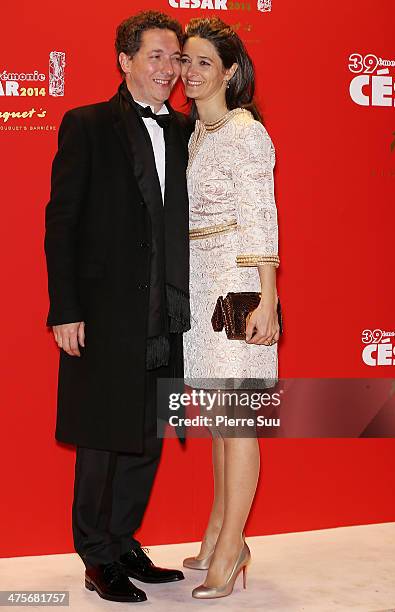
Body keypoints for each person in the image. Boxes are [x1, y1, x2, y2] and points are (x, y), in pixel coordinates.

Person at [44, 11, 192, 604]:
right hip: (104, 311)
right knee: (102, 437)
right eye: (156, 55)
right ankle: (95, 554)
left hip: (166, 311)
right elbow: (61, 224)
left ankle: (125, 541)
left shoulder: (187, 130)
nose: (168, 68)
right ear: (125, 61)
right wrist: (64, 308)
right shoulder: (85, 125)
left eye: (176, 57)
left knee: (149, 433)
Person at [180, 17, 281, 599]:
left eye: (204, 63)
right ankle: (218, 531)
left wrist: (267, 298)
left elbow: (262, 213)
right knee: (220, 419)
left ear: (231, 71)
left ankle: (231, 547)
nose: (190, 73)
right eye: (186, 61)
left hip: (239, 285)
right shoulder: (199, 133)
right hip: (200, 283)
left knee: (238, 423)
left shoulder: (246, 131)